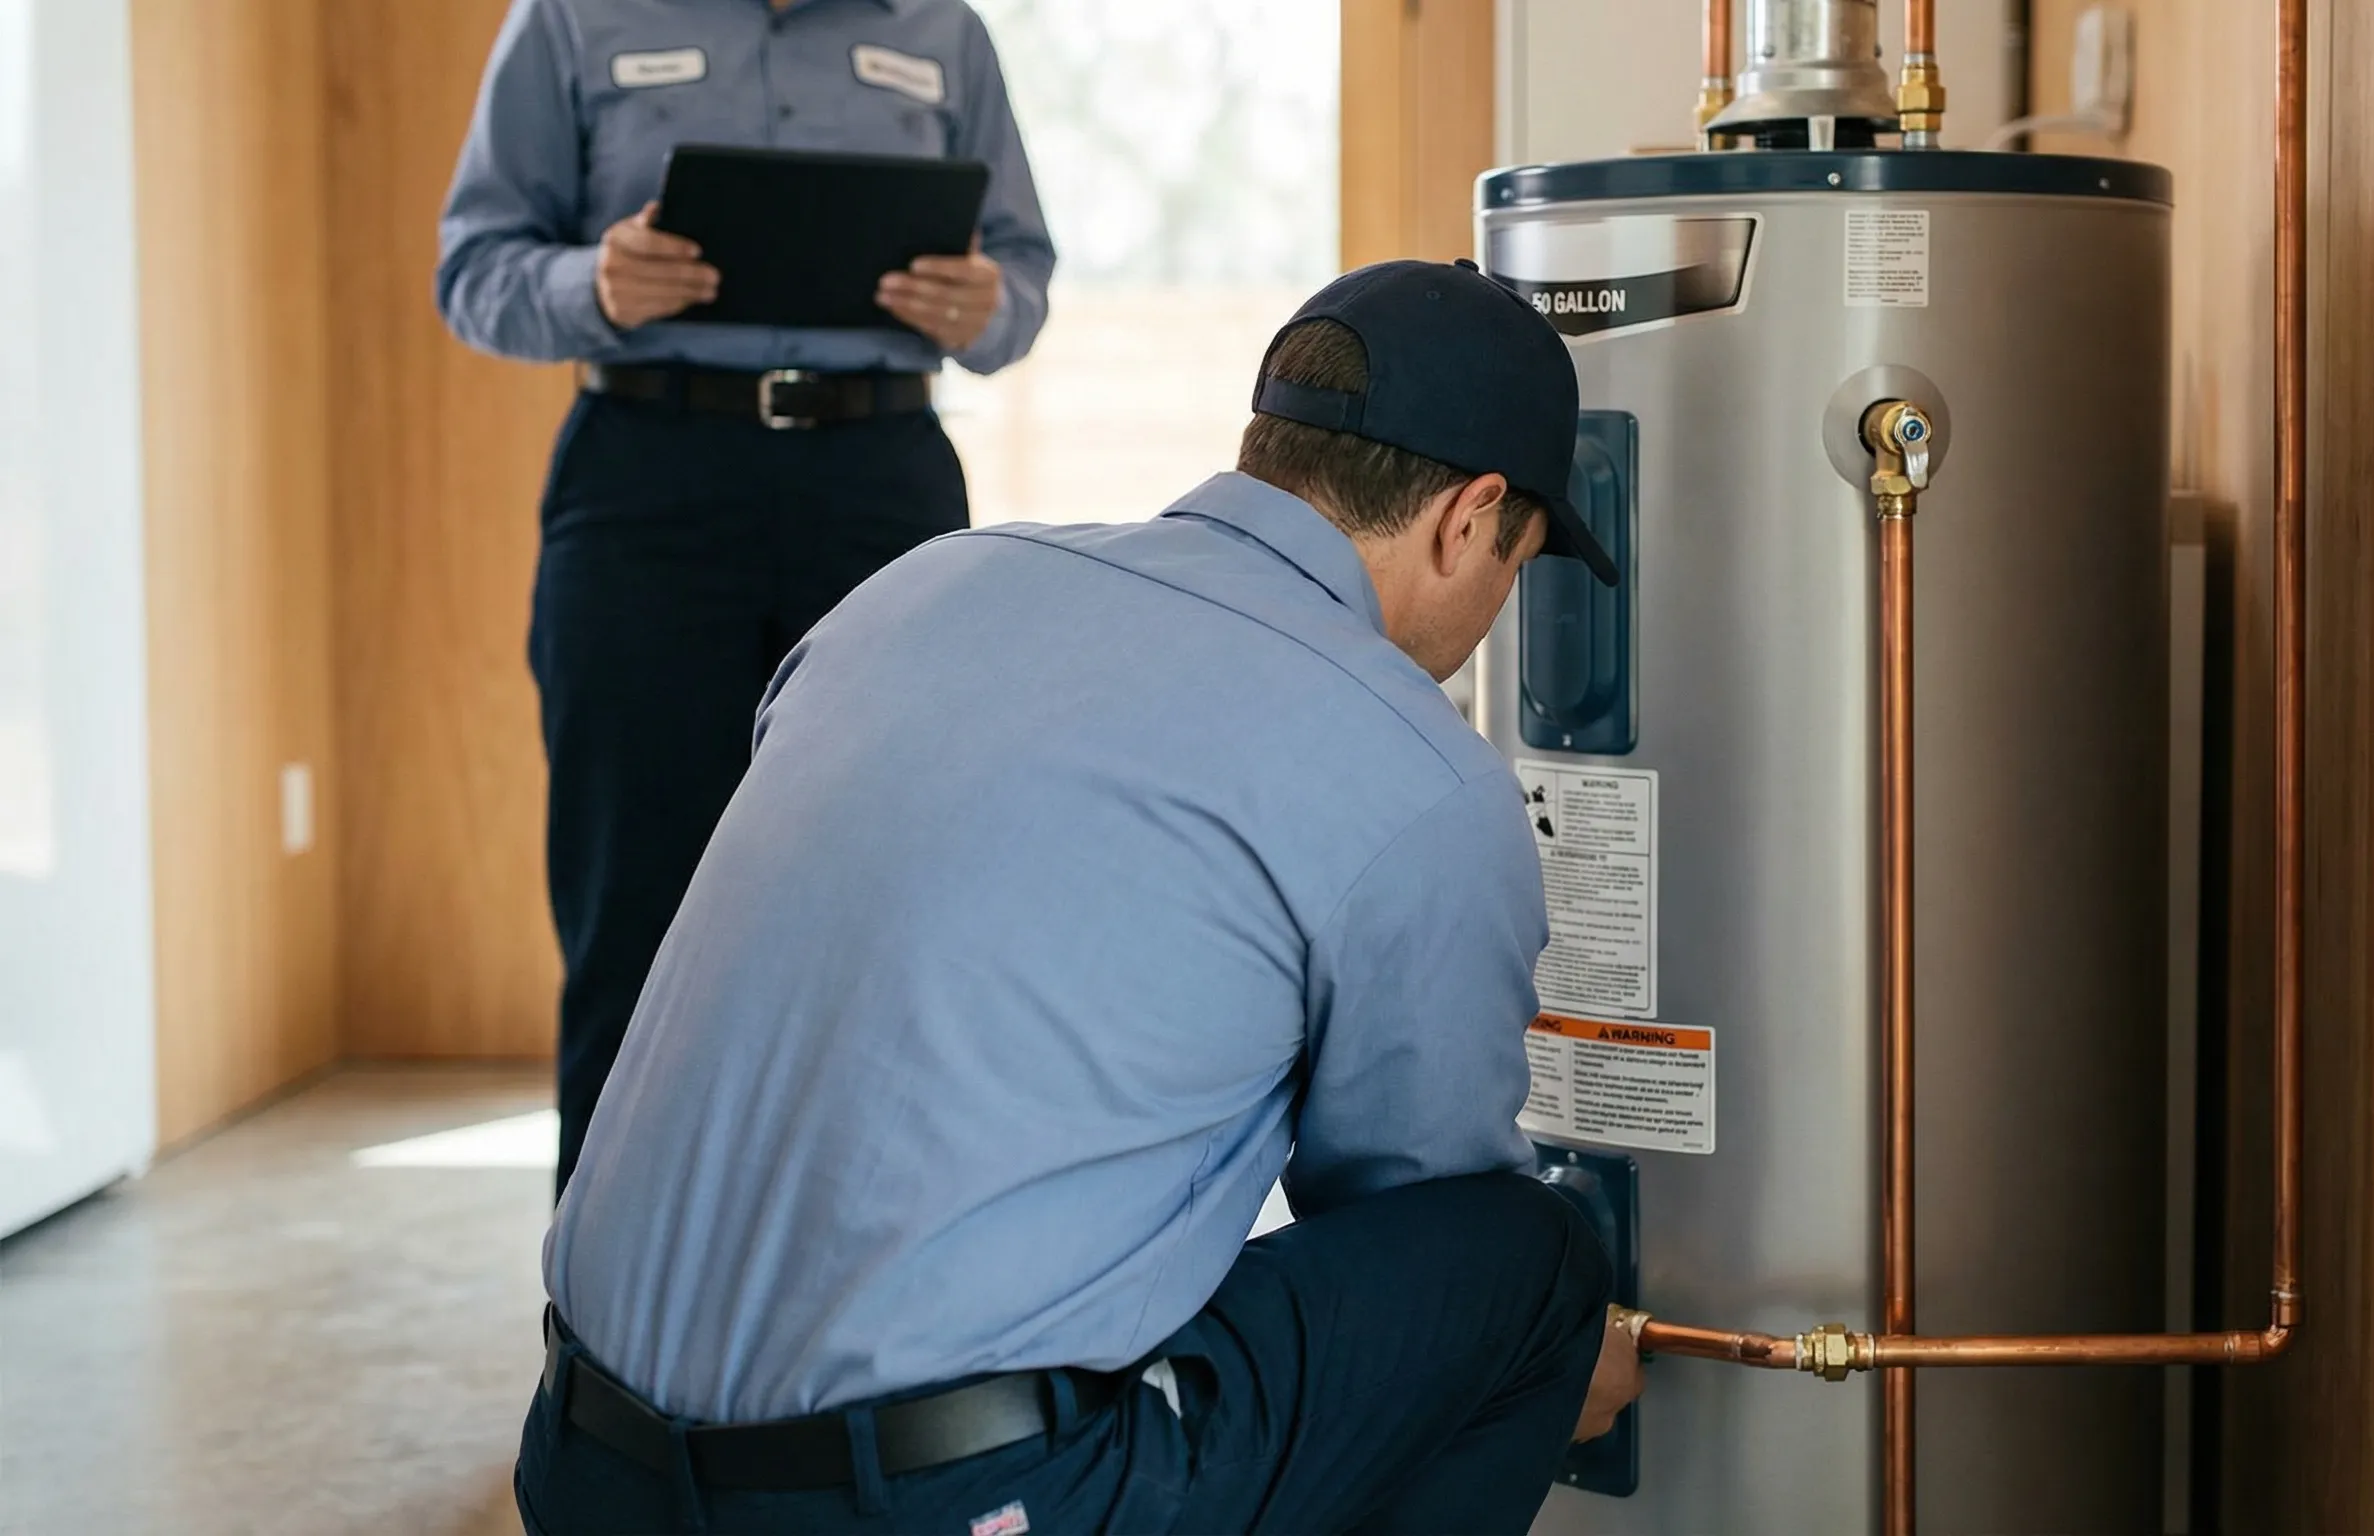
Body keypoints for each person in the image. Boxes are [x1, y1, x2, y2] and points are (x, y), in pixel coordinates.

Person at [513, 260, 1640, 1536]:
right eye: (1521, 561)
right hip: (924, 1504)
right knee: (1521, 1267)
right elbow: (1413, 1210)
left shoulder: (920, 586)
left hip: (581, 1465)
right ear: (1469, 517)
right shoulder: (1414, 766)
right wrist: (1573, 1366)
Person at [435, 0, 1057, 1193]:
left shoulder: (944, 31)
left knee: (897, 903)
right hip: (648, 483)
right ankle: (612, 1342)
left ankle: (880, 1302)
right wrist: (593, 284)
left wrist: (989, 311)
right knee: (638, 913)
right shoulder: (569, 20)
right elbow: (474, 270)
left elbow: (1020, 274)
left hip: (880, 486)